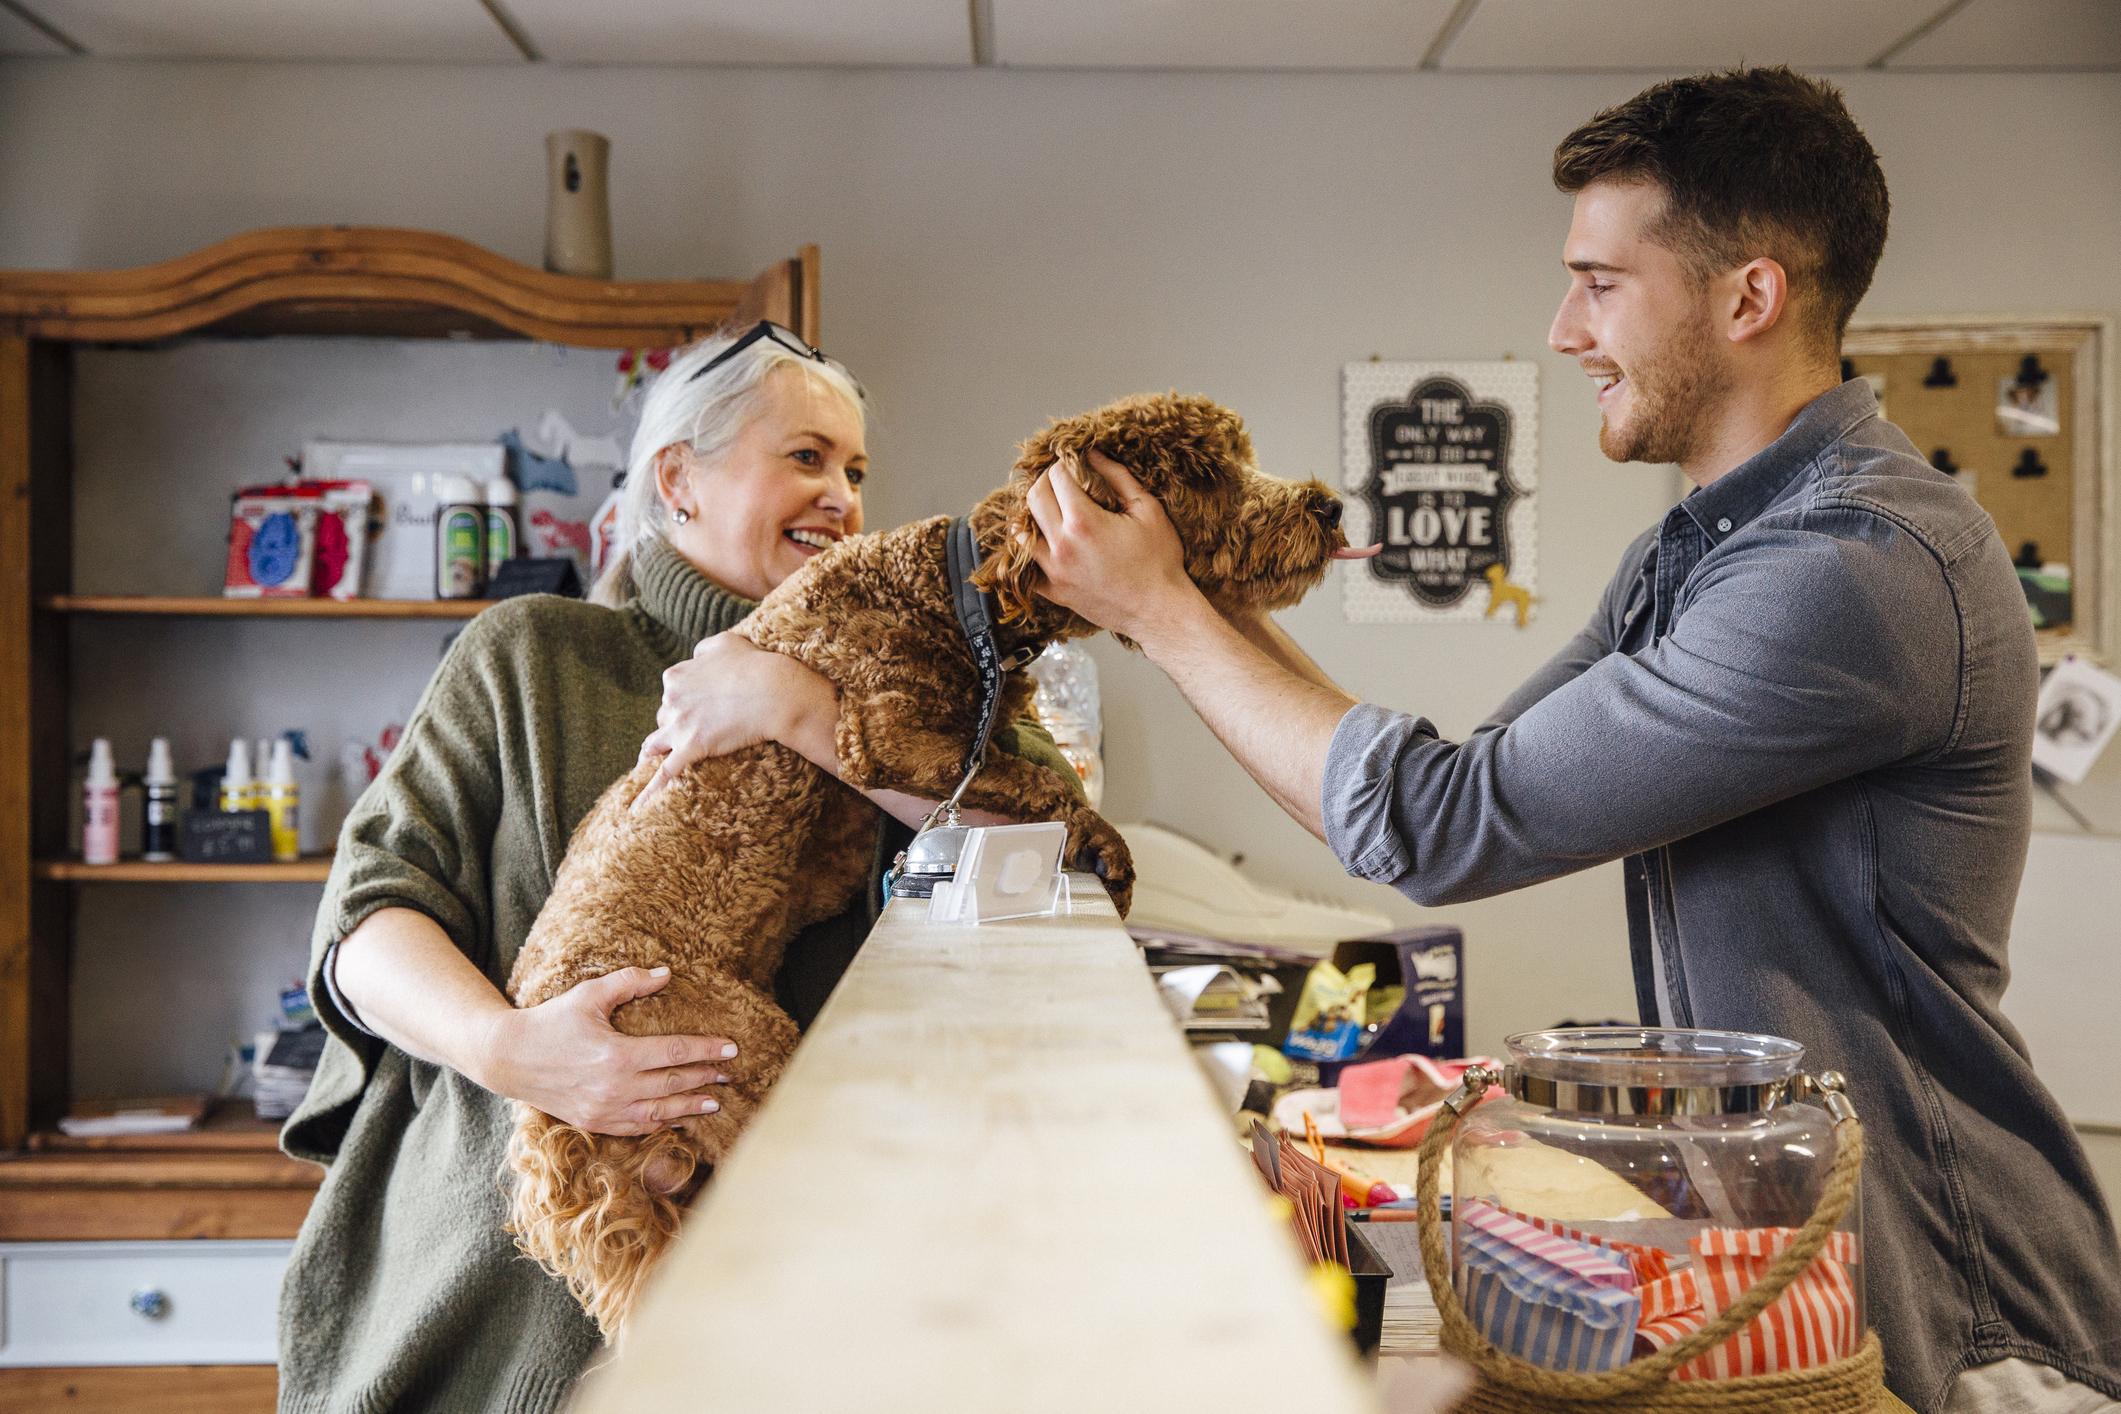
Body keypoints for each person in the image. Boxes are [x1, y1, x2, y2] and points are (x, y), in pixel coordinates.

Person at [1018, 69, 2121, 1413]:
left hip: (1961, 1316)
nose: (1563, 328)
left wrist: (1166, 610)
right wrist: (1195, 603)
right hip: (1796, 1267)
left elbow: (1431, 825)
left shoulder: (1852, 572)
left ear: (1746, 298)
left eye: (1599, 283)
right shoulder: (1703, 549)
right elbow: (1460, 776)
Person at [277, 323, 1081, 1413]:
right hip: (507, 1285)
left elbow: (1053, 857)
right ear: (678, 479)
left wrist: (801, 713)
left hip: (810, 1289)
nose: (842, 494)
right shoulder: (533, 657)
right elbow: (368, 919)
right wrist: (515, 1051)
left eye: (855, 470)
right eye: (804, 457)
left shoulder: (906, 693)